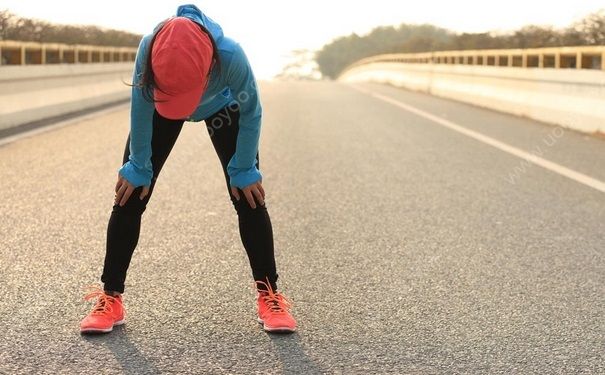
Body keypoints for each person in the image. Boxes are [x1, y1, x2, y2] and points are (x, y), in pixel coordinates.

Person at [80, 4, 296, 334]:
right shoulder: (149, 46)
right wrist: (139, 164)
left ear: (210, 64)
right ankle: (111, 298)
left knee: (248, 196)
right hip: (163, 107)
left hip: (222, 109)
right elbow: (140, 105)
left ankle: (269, 296)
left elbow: (252, 110)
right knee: (130, 193)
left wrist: (242, 167)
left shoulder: (230, 55)